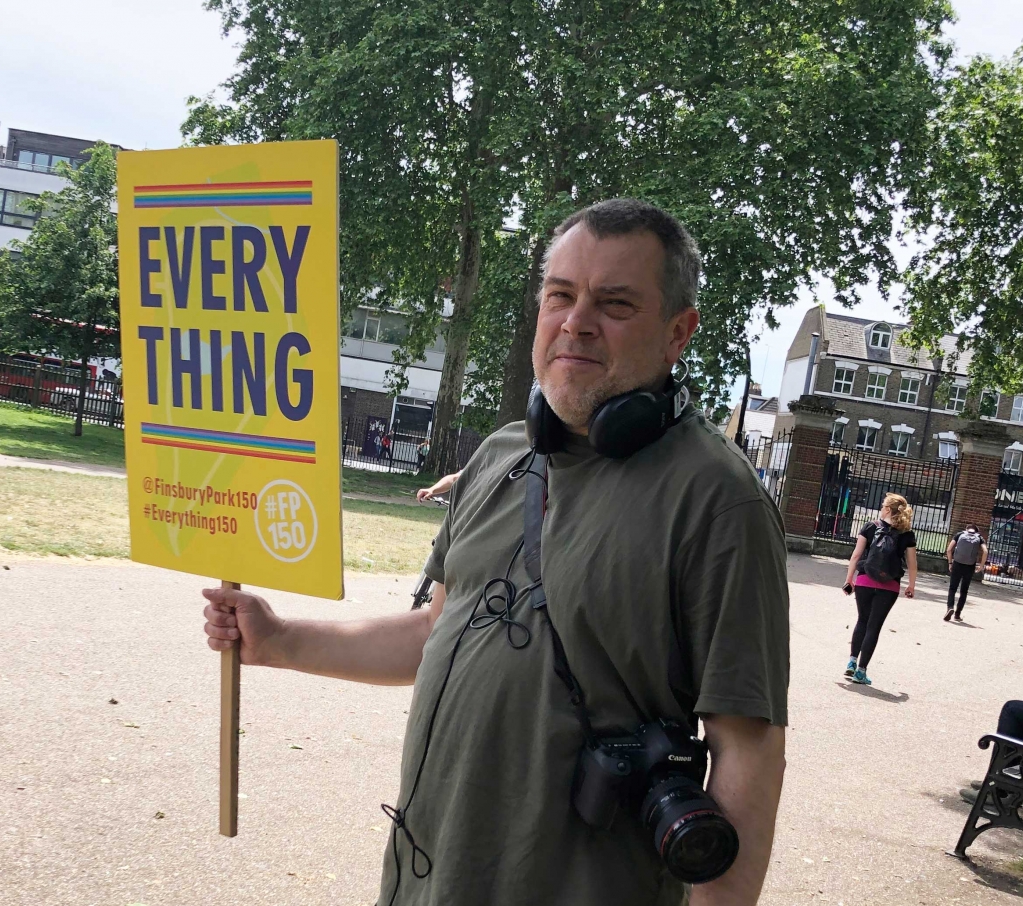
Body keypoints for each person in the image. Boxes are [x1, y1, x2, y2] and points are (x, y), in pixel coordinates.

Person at [203, 198, 789, 906]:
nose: (576, 321)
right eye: (561, 295)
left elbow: (747, 748)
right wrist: (283, 640)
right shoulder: (499, 456)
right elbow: (431, 635)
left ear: (678, 332)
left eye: (615, 303)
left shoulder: (717, 499)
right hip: (428, 880)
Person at [842, 494, 918, 687]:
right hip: (890, 585)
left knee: (862, 620)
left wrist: (849, 580)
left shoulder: (870, 527)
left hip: (865, 580)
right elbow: (912, 563)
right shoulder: (907, 534)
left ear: (886, 509)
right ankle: (861, 671)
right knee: (874, 627)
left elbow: (856, 555)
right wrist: (911, 585)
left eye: (882, 505)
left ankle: (851, 661)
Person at [944, 522, 987, 622]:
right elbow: (985, 551)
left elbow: (949, 550)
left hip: (957, 564)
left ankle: (950, 607)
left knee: (952, 588)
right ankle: (957, 614)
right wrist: (981, 565)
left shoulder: (959, 534)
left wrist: (950, 563)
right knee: (964, 591)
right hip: (969, 566)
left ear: (967, 529)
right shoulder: (979, 537)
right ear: (976, 531)